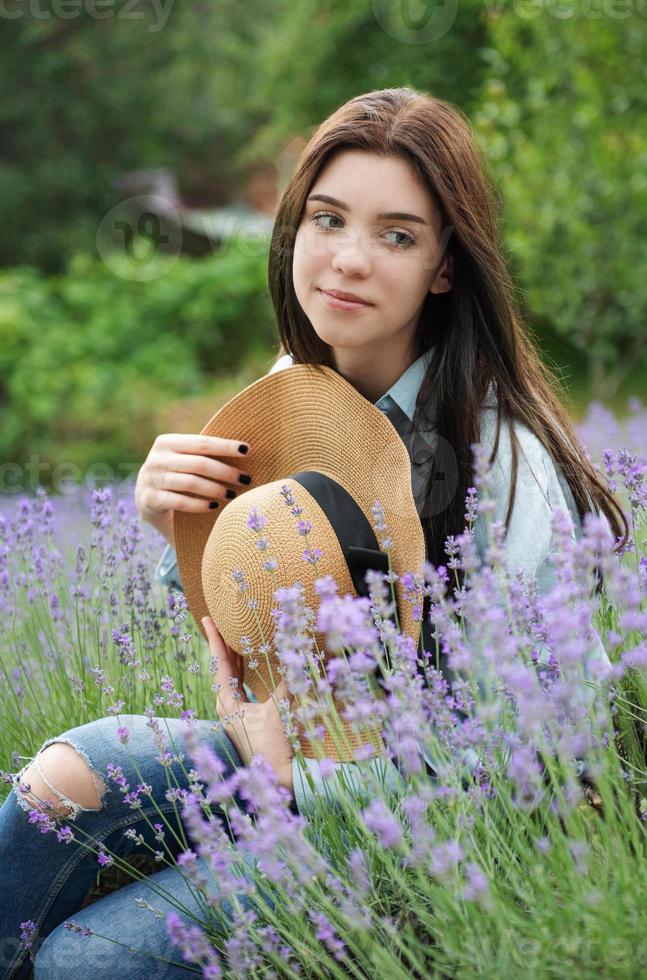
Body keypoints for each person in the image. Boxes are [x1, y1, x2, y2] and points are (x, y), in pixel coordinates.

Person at [0, 86, 627, 979]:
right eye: (327, 219)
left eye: (397, 235)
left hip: (447, 829)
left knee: (89, 962)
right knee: (57, 783)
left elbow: (530, 753)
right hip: (301, 755)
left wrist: (295, 781)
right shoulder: (293, 397)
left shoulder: (501, 466)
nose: (348, 260)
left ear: (446, 267)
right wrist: (173, 524)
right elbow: (244, 630)